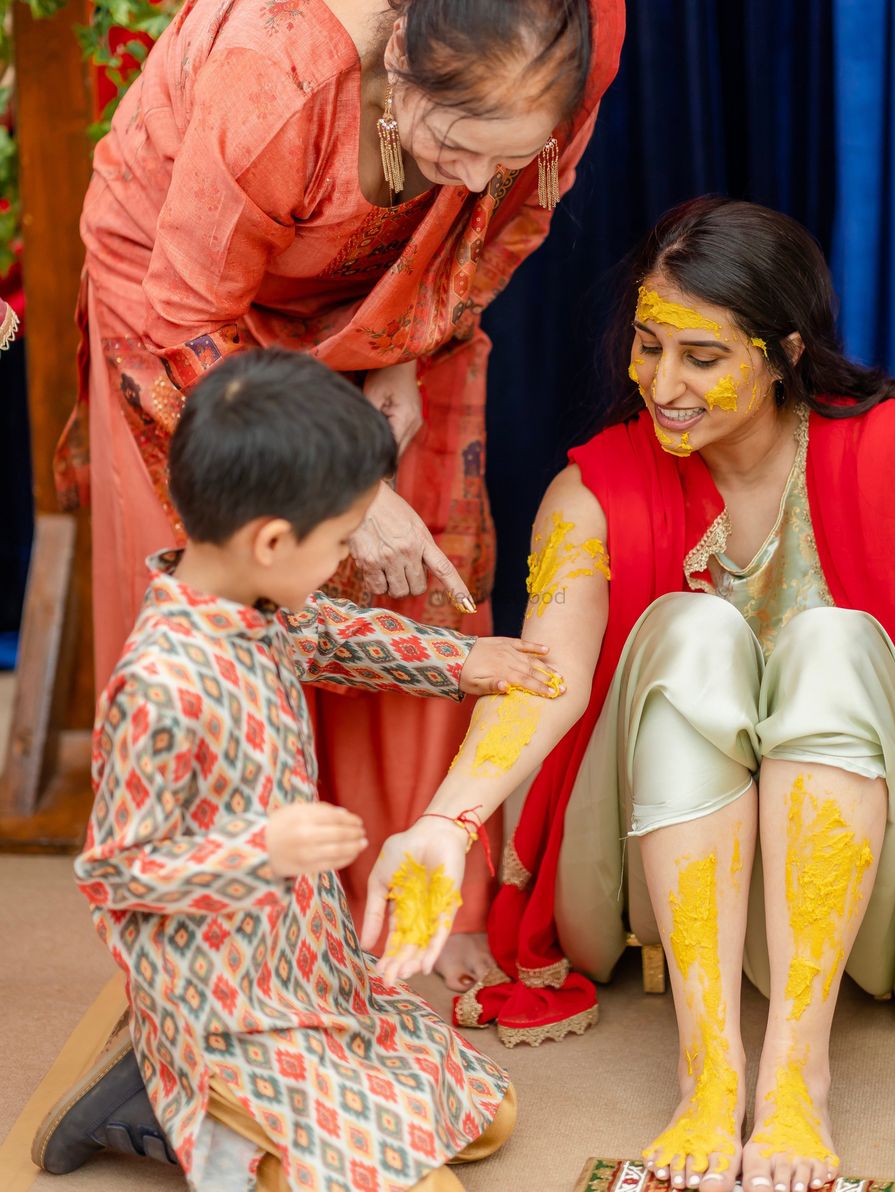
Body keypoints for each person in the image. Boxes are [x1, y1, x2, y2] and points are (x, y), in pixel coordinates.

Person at [363, 198, 895, 1192]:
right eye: (648, 346)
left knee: (828, 643)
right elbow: (546, 679)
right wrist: (447, 825)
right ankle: (709, 1075)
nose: (663, 384)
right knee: (694, 630)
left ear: (783, 349)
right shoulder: (591, 489)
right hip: (650, 899)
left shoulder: (894, 455)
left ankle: (796, 1075)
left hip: (890, 902)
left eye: (702, 357)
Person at [55, 0, 623, 990]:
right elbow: (188, 317)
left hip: (405, 294)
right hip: (188, 311)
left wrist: (401, 351)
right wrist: (353, 494)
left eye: (508, 152)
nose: (482, 178)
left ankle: (411, 899)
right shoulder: (276, 74)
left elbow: (492, 223)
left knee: (419, 568)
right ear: (401, 56)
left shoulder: (583, 30)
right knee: (233, 606)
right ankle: (221, 946)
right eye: (459, 144)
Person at [37, 349, 567, 1188]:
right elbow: (116, 875)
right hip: (222, 1010)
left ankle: (208, 1114)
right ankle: (174, 1106)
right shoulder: (161, 684)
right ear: (274, 540)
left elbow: (336, 635)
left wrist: (462, 660)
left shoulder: (262, 601)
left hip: (310, 968)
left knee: (485, 1121)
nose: (346, 557)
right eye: (342, 540)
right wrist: (260, 849)